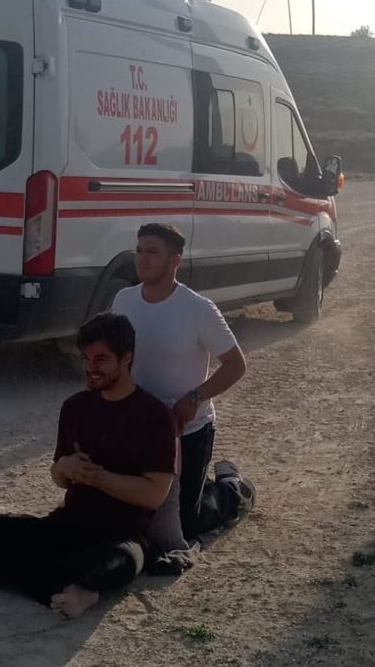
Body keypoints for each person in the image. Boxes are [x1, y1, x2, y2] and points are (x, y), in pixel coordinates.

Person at [0, 313, 178, 618]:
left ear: (126, 358)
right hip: (68, 525)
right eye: (86, 358)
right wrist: (65, 466)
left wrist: (98, 478)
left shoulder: (156, 417)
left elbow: (154, 495)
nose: (91, 368)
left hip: (121, 536)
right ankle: (73, 590)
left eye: (101, 359)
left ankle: (18, 573)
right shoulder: (75, 407)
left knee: (109, 565)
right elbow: (59, 478)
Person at [112, 223, 246, 540]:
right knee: (129, 511)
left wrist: (194, 398)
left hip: (187, 430)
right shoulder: (123, 301)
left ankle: (233, 489)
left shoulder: (198, 309)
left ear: (175, 260)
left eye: (153, 252)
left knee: (186, 524)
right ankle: (199, 486)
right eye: (139, 251)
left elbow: (236, 365)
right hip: (137, 426)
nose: (142, 259)